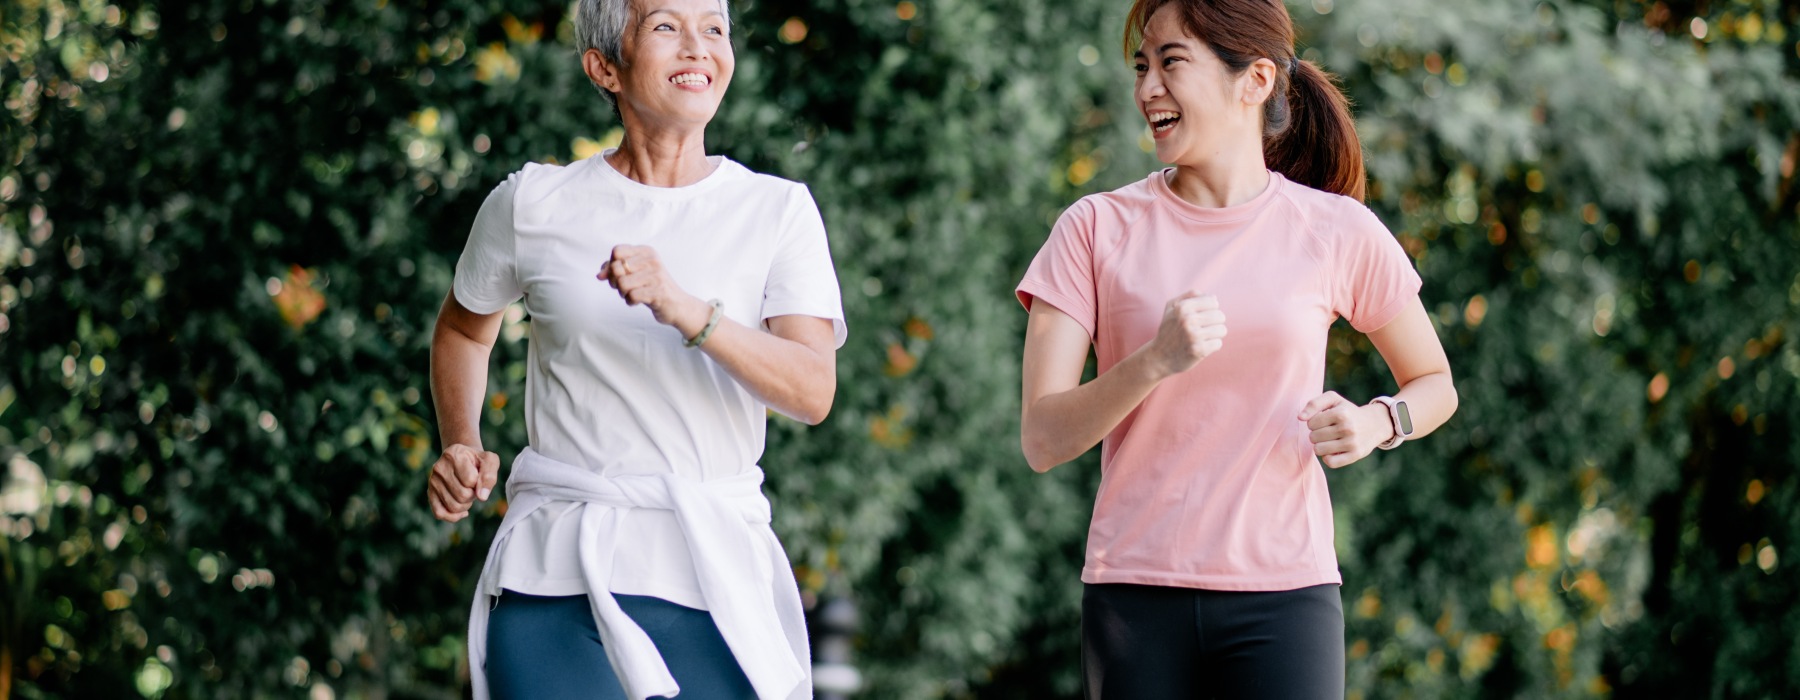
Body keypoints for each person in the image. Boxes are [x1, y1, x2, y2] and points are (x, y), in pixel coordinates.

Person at [1015, 0, 1459, 697]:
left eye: (1171, 63)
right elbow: (1042, 437)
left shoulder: (1336, 230)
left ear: (1253, 81)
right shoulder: (1093, 229)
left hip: (1287, 597)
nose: (1147, 89)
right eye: (1142, 66)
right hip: (1135, 593)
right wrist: (1152, 362)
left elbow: (1435, 382)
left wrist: (1379, 422)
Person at [424, 0, 845, 697]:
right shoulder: (534, 203)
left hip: (712, 580)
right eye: (665, 27)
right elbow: (465, 328)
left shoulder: (778, 211)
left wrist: (686, 310)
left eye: (714, 28)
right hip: (555, 569)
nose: (698, 47)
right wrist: (459, 441)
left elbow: (811, 389)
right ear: (604, 67)